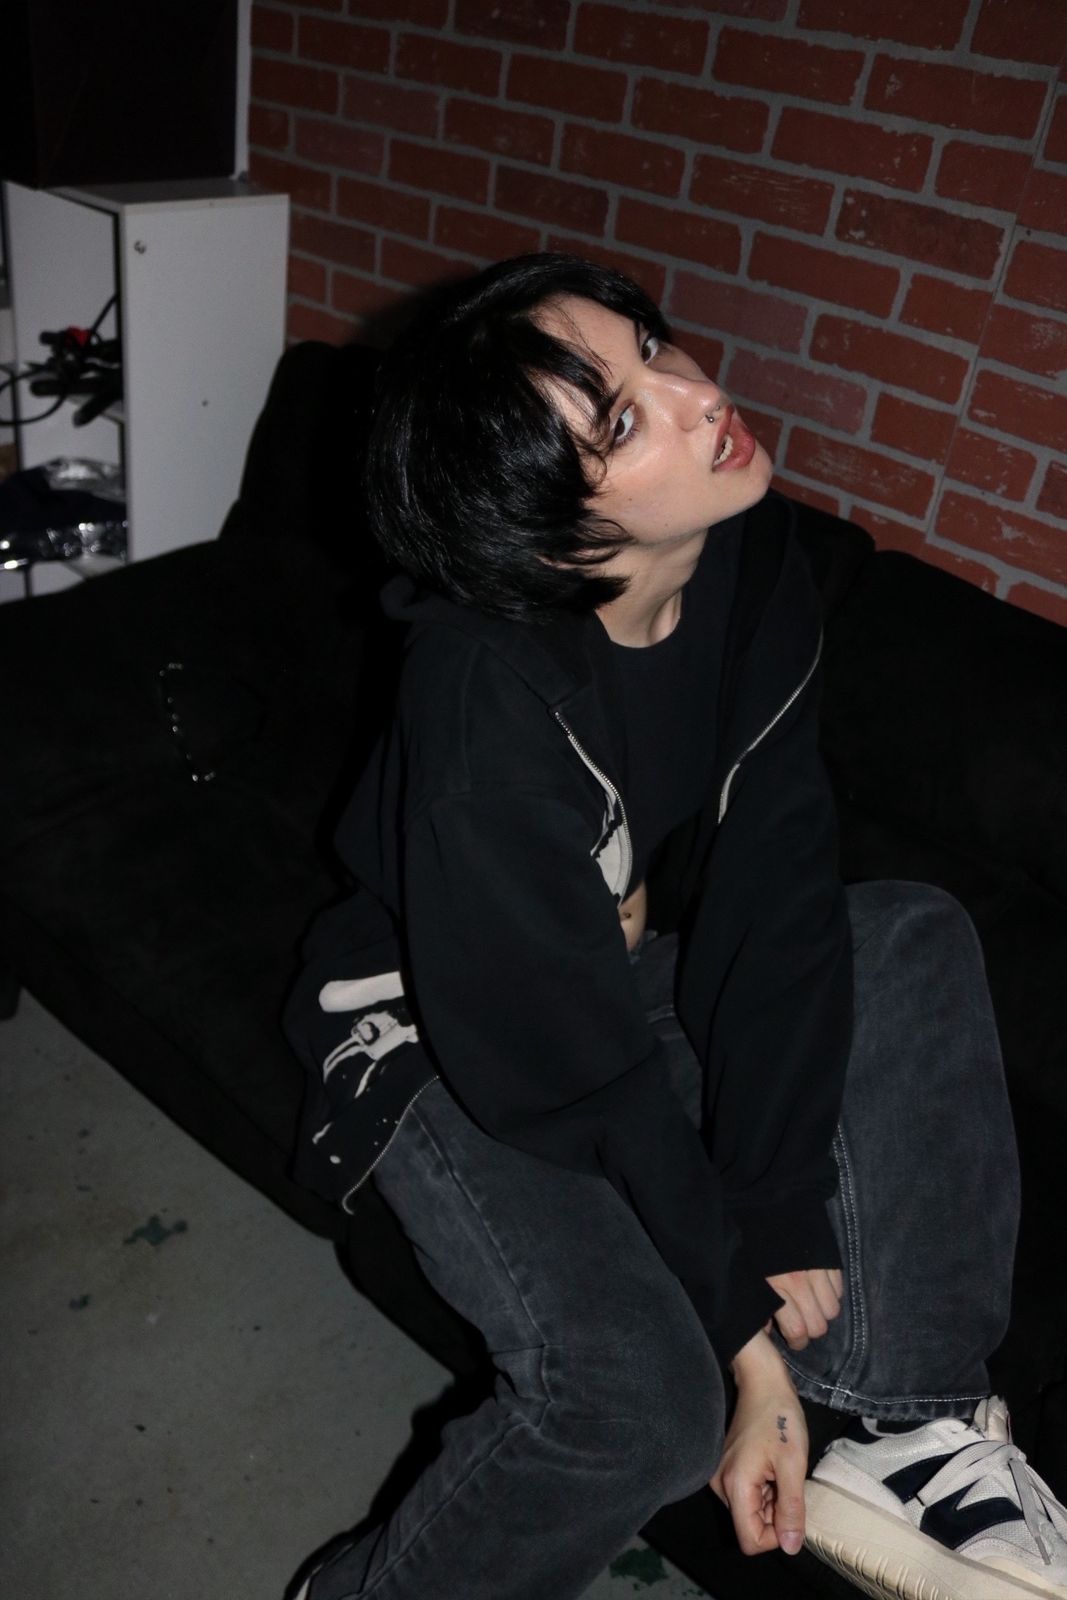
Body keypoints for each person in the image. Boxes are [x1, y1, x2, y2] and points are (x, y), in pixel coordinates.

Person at [282, 253, 1067, 1600]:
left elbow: (777, 880)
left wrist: (775, 1192)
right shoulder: (482, 702)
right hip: (428, 1030)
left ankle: (910, 1431)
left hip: (591, 965)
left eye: (651, 348)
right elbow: (572, 1071)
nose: (699, 395)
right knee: (640, 1408)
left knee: (905, 931)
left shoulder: (751, 558)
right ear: (546, 535)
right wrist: (747, 1347)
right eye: (622, 419)